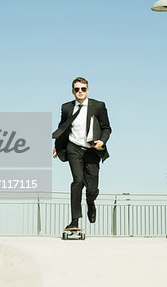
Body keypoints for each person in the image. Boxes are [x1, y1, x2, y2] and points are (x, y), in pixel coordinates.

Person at [52, 77, 112, 229]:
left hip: (92, 150)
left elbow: (106, 128)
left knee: (91, 189)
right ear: (73, 91)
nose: (80, 92)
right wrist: (57, 145)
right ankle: (75, 220)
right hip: (74, 148)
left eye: (83, 89)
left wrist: (102, 141)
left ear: (87, 90)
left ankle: (90, 204)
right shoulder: (66, 108)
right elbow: (62, 128)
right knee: (77, 181)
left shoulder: (98, 106)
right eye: (77, 89)